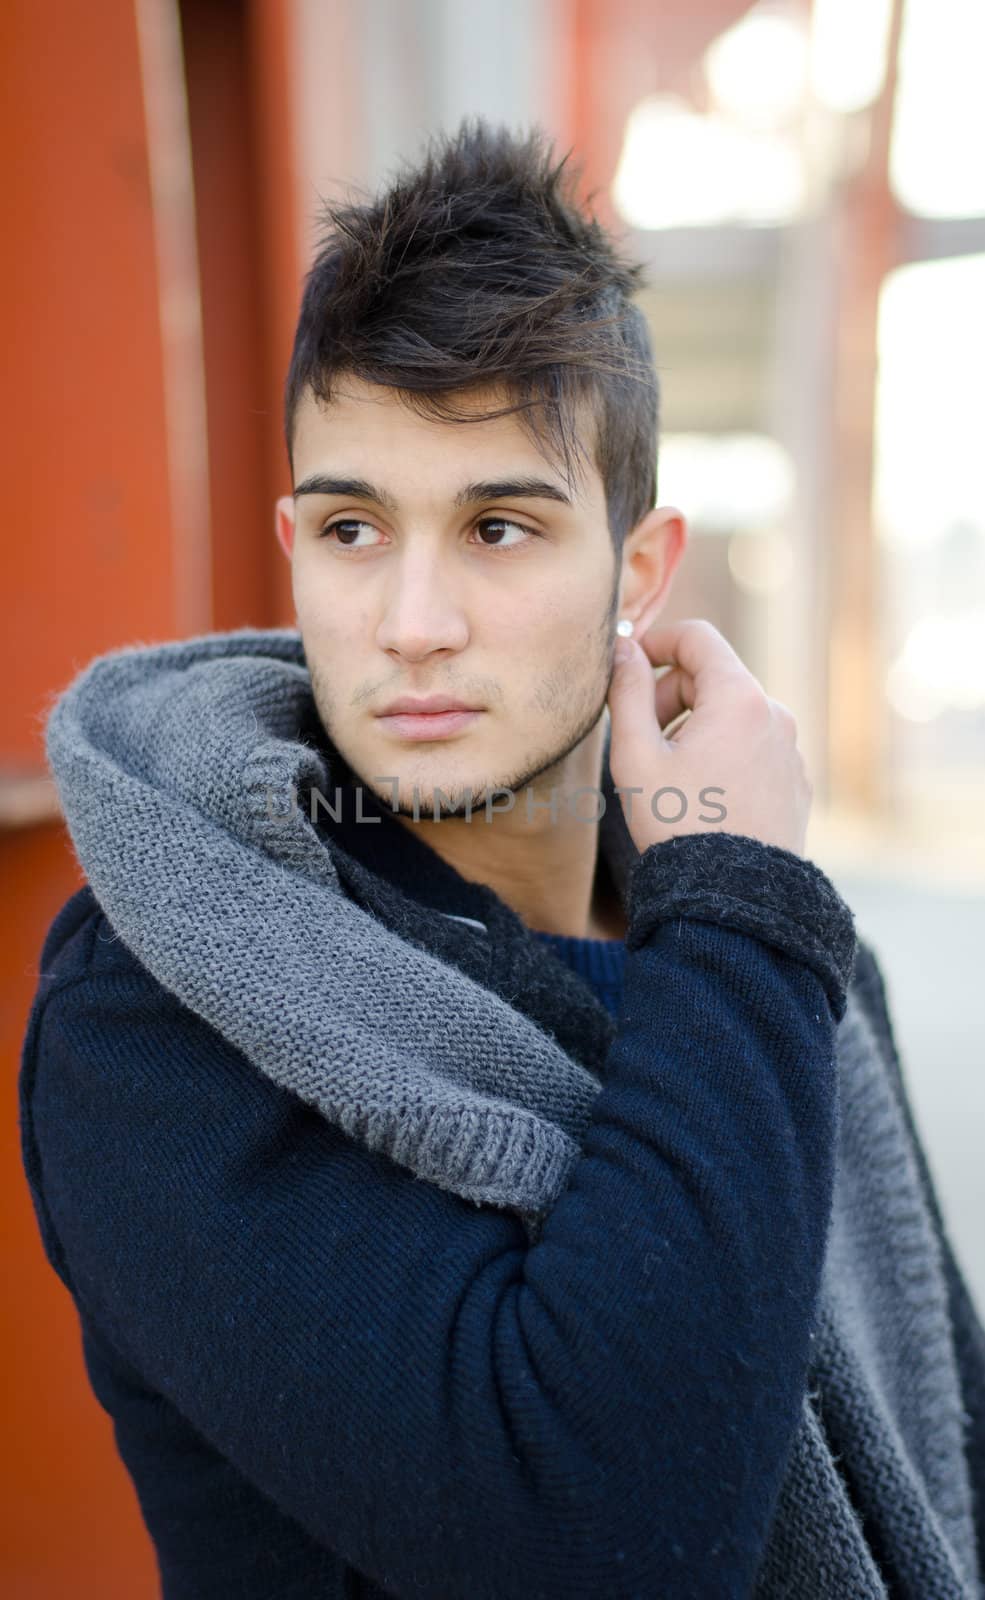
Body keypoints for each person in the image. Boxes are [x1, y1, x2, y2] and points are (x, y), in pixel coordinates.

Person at [19, 118, 984, 1599]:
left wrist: (732, 906)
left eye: (498, 528)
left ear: (637, 569)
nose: (411, 620)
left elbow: (951, 1441)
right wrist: (729, 906)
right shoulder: (161, 999)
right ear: (293, 544)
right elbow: (602, 1543)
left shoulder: (787, 948)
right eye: (353, 527)